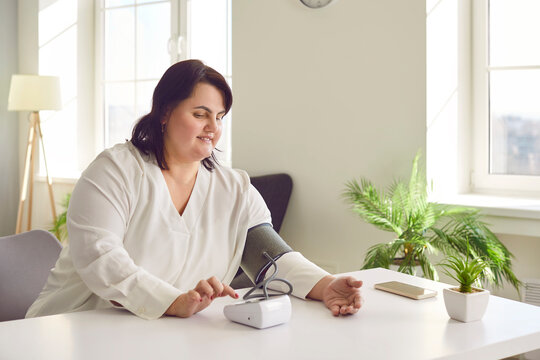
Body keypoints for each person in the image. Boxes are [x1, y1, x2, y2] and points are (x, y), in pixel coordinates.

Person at [26, 60, 363, 320]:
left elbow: (271, 259)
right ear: (164, 113)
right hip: (74, 327)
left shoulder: (234, 187)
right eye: (200, 114)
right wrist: (171, 302)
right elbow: (102, 258)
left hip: (165, 334)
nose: (213, 128)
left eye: (219, 117)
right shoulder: (114, 172)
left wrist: (326, 285)